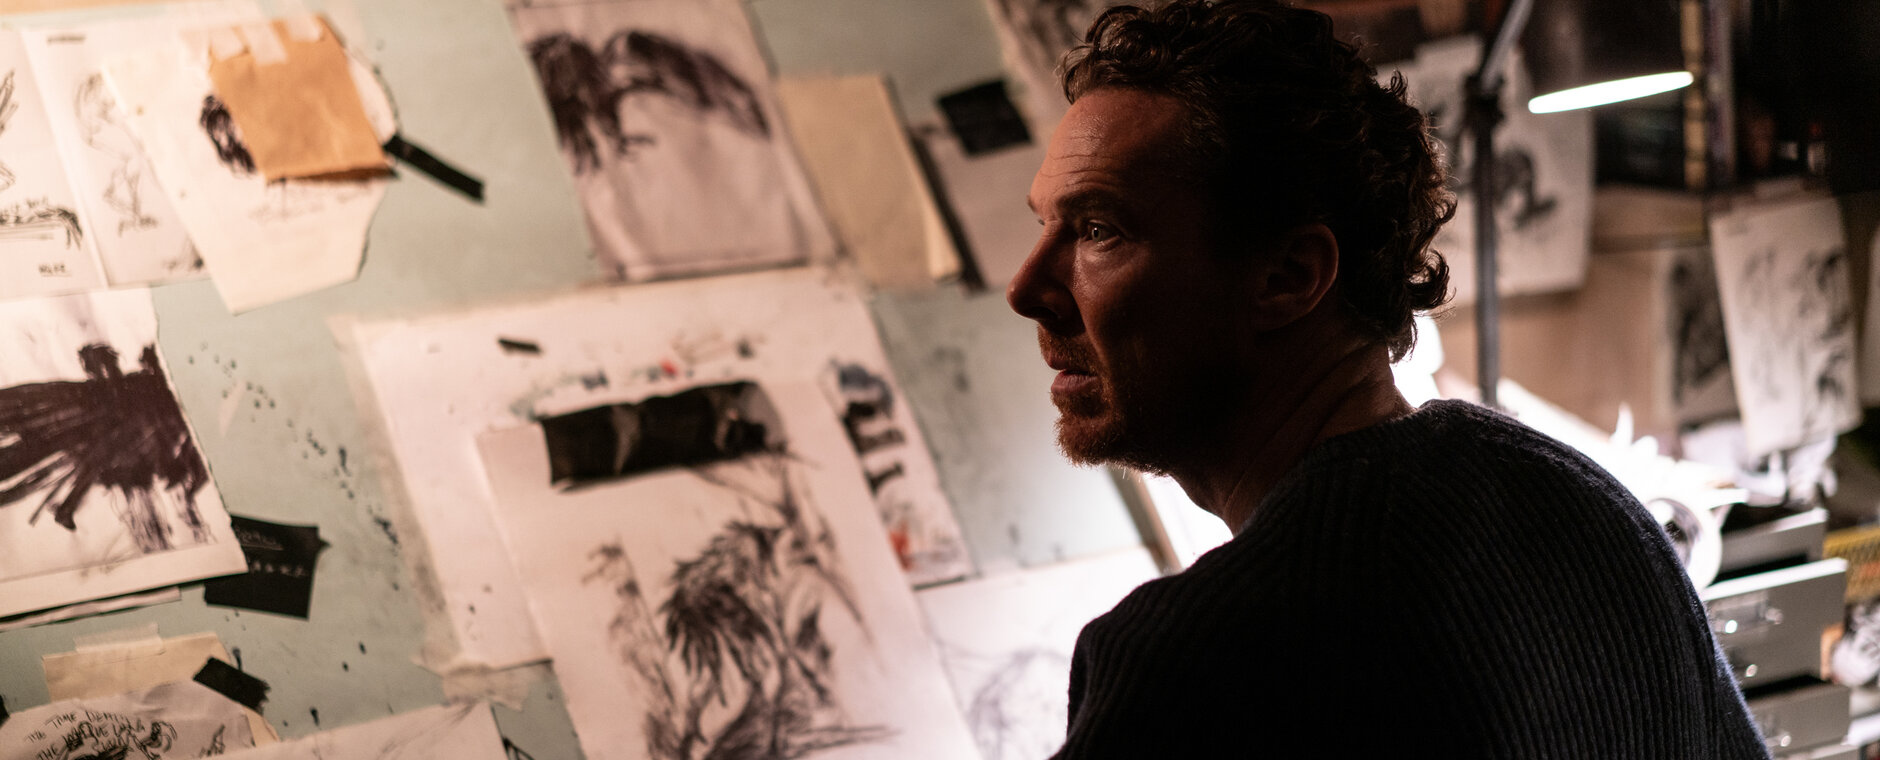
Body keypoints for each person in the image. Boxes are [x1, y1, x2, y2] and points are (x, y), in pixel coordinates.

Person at [1003, 1, 1772, 757]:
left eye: (1099, 231)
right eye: (1046, 225)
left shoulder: (1199, 664)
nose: (1026, 287)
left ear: (1289, 276)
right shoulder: (1589, 504)